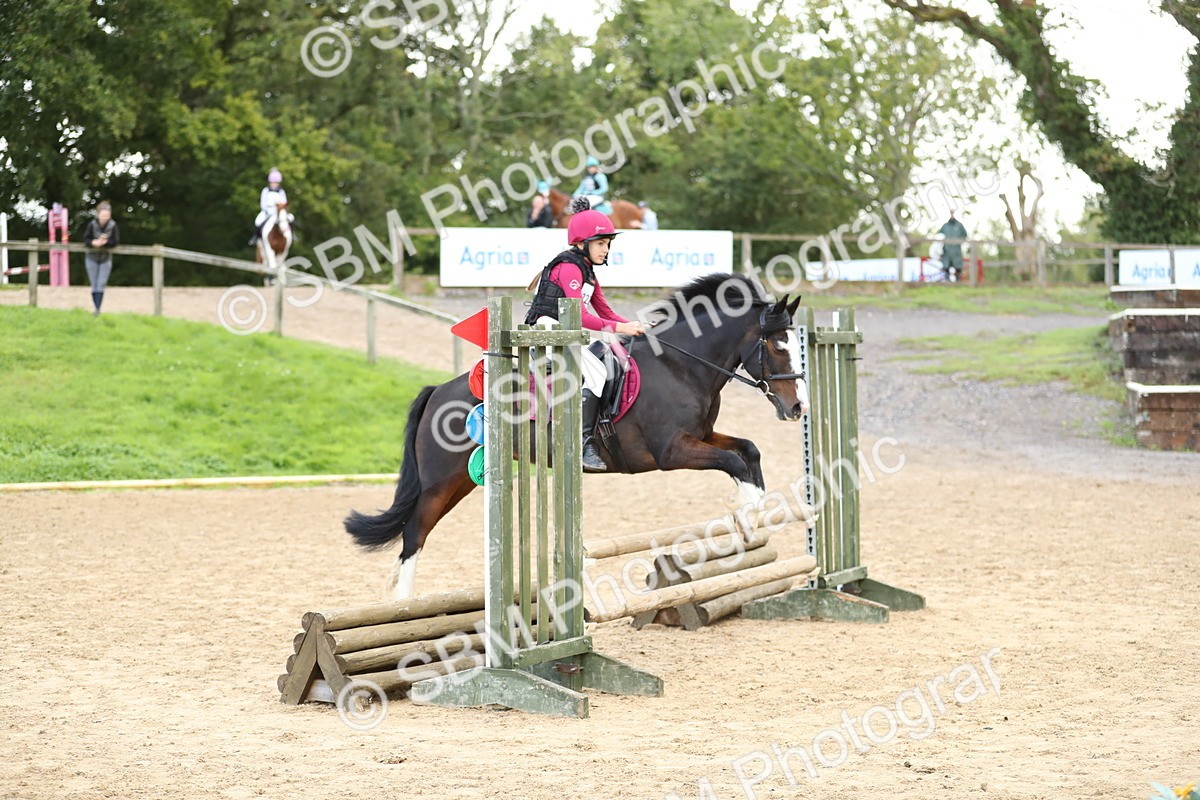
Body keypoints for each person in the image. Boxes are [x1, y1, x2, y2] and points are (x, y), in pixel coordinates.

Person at [525, 197, 644, 472]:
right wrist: (621, 329)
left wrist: (636, 326)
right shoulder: (568, 267)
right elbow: (579, 315)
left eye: (608, 244)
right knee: (598, 373)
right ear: (582, 243)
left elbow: (606, 312)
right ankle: (583, 445)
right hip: (548, 331)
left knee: (611, 355)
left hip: (568, 331)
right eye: (601, 243)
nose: (606, 249)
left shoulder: (589, 272)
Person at [82, 201, 119, 316]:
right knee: (94, 284)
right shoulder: (92, 224)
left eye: (107, 216)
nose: (105, 218)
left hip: (105, 259)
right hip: (91, 257)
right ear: (98, 214)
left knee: (101, 284)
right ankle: (96, 308)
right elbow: (86, 240)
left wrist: (105, 243)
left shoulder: (113, 225)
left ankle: (97, 308)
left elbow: (115, 241)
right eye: (103, 215)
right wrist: (94, 243)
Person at [250, 168, 288, 246]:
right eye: (272, 182)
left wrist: (280, 211)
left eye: (276, 183)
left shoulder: (281, 191)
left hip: (279, 212)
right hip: (267, 211)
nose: (274, 184)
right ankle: (255, 237)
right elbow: (263, 202)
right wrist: (266, 210)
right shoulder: (266, 190)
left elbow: (284, 202)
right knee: (257, 221)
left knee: (290, 219)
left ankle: (292, 236)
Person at [938, 211, 968, 281]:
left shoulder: (959, 225)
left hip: (956, 250)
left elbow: (964, 235)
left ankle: (958, 282)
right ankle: (947, 282)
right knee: (946, 267)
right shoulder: (945, 226)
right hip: (946, 250)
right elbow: (939, 236)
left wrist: (959, 243)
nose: (952, 214)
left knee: (958, 267)